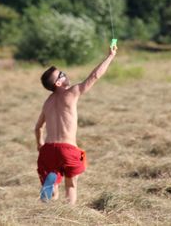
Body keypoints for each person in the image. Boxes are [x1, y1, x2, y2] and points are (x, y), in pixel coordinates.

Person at [35, 44, 118, 205]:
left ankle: (51, 190)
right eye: (62, 75)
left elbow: (38, 127)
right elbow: (94, 76)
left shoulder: (47, 103)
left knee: (53, 191)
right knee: (71, 185)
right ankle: (69, 215)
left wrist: (40, 144)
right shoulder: (71, 92)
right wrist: (110, 56)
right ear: (58, 84)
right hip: (68, 150)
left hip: (48, 150)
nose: (66, 75)